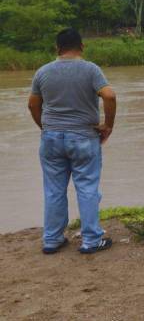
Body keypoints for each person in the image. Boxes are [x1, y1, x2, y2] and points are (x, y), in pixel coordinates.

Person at [27, 28, 116, 255]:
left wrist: (45, 127)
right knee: (87, 188)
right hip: (83, 136)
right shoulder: (91, 69)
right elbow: (109, 95)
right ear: (82, 46)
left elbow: (32, 104)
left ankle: (52, 239)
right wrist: (108, 125)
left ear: (57, 47)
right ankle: (90, 241)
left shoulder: (43, 72)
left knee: (54, 190)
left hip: (51, 137)